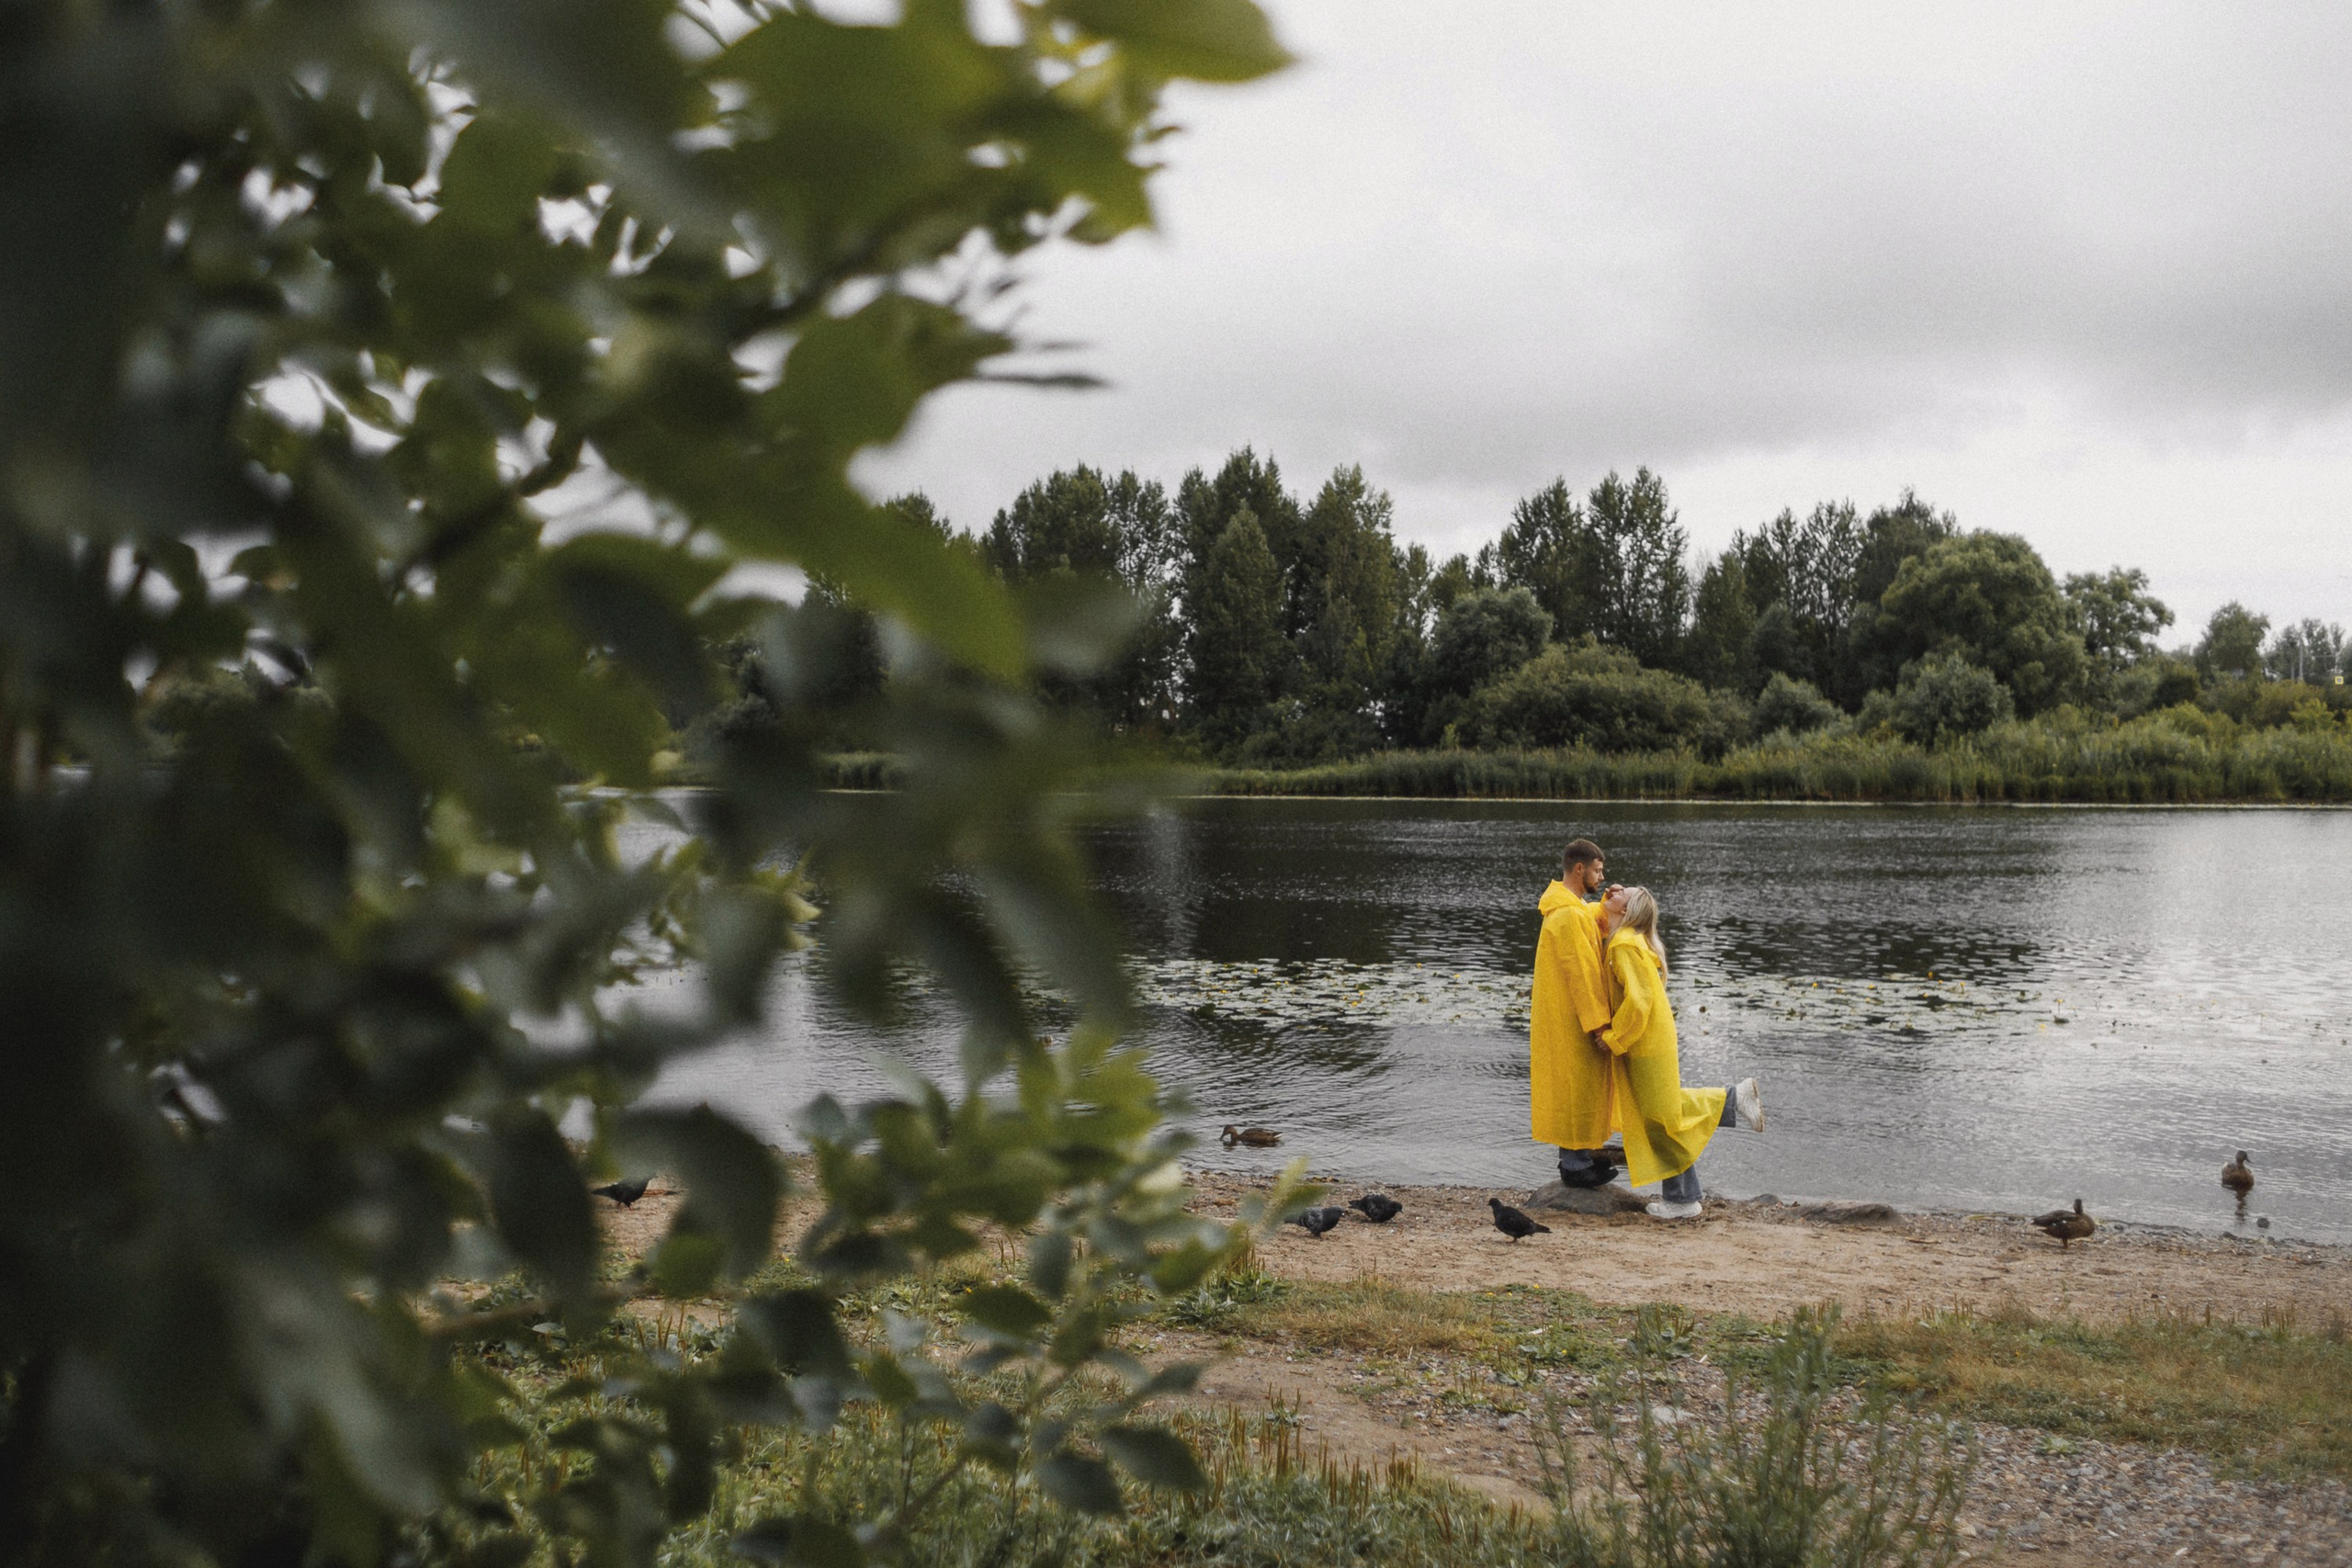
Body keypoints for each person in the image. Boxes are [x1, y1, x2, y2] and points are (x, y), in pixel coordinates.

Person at [1597, 886, 1763, 1220]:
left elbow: (1639, 1002)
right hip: (1652, 1038)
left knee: (1661, 1117)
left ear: (1628, 911)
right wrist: (1609, 900)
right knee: (1663, 1114)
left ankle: (1683, 1200)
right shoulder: (1630, 938)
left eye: (1620, 893)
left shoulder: (1624, 945)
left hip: (1645, 1042)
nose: (1611, 890)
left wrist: (1614, 1038)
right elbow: (1602, 913)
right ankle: (1732, 1101)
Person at [1530, 838, 1620, 1188]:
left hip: (1566, 1018)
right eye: (1597, 871)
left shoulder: (1571, 907)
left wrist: (1607, 906)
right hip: (1573, 1019)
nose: (1601, 876)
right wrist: (1600, 1025)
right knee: (1575, 1089)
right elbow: (1582, 974)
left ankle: (1579, 1158)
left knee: (1576, 1088)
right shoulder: (1567, 915)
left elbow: (1589, 917)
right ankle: (1575, 1165)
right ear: (1579, 869)